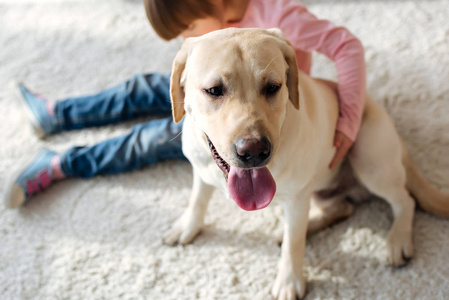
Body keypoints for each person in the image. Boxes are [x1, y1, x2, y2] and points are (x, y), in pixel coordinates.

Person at [4, 0, 365, 208]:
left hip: (253, 112)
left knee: (149, 139)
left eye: (189, 26)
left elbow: (347, 47)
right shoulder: (200, 44)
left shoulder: (281, 18)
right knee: (140, 87)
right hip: (209, 91)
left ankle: (63, 163)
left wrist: (349, 119)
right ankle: (58, 114)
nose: (185, 38)